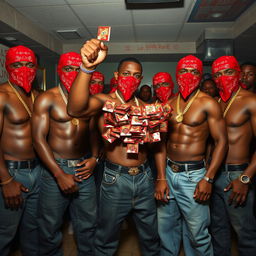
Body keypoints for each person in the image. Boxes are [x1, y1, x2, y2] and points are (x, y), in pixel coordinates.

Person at [67, 39, 165, 256]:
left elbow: (158, 146)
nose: (131, 78)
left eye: (136, 75)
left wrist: (161, 178)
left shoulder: (147, 107)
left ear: (141, 79)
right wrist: (87, 67)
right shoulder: (104, 100)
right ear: (117, 75)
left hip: (144, 177)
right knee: (106, 237)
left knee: (150, 236)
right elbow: (74, 109)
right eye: (127, 73)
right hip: (115, 179)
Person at [156, 55, 227, 256]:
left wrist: (208, 178)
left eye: (194, 71)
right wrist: (161, 177)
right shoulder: (168, 104)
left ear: (200, 76)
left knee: (197, 234)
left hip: (194, 175)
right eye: (183, 71)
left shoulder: (208, 103)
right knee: (166, 229)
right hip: (169, 171)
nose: (188, 76)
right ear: (176, 74)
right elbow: (161, 143)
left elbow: (222, 141)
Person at [32, 52, 98, 256]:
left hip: (84, 168)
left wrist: (95, 158)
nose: (73, 73)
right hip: (56, 168)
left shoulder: (90, 100)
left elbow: (94, 133)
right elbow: (38, 139)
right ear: (59, 71)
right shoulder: (47, 98)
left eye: (78, 69)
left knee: (88, 225)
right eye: (68, 69)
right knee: (49, 227)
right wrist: (58, 174)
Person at [210, 56, 256, 256]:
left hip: (238, 174)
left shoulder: (250, 100)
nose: (223, 78)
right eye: (218, 74)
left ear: (237, 73)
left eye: (228, 72)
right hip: (214, 174)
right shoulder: (215, 103)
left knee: (245, 233)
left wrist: (246, 178)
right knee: (218, 230)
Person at [0, 45, 42, 256]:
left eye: (29, 65)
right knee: (5, 233)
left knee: (33, 231)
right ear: (7, 67)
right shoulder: (2, 95)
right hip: (12, 172)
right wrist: (6, 181)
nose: (24, 69)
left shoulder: (38, 96)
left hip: (37, 170)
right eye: (17, 65)